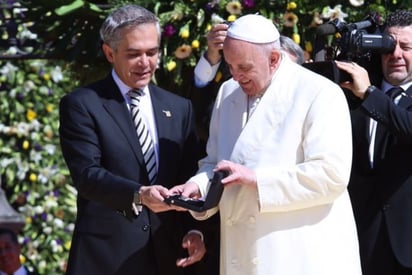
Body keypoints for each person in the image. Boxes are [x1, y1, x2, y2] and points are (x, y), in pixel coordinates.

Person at [170, 14, 362, 275]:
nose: (237, 77)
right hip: (242, 250)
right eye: (230, 67)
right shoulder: (227, 92)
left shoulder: (320, 93)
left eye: (245, 68)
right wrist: (197, 186)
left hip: (299, 253)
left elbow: (331, 175)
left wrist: (256, 179)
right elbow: (216, 162)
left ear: (273, 59)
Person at [59, 5, 206, 275]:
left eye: (152, 52)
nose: (145, 62)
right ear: (109, 53)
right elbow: (87, 175)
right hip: (108, 259)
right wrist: (139, 194)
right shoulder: (82, 105)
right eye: (134, 54)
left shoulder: (179, 107)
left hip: (170, 257)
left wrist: (196, 229)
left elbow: (191, 176)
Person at [335, 9, 412, 275]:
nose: (396, 55)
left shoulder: (366, 92)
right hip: (360, 237)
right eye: (389, 45)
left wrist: (369, 93)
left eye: (407, 47)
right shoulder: (353, 92)